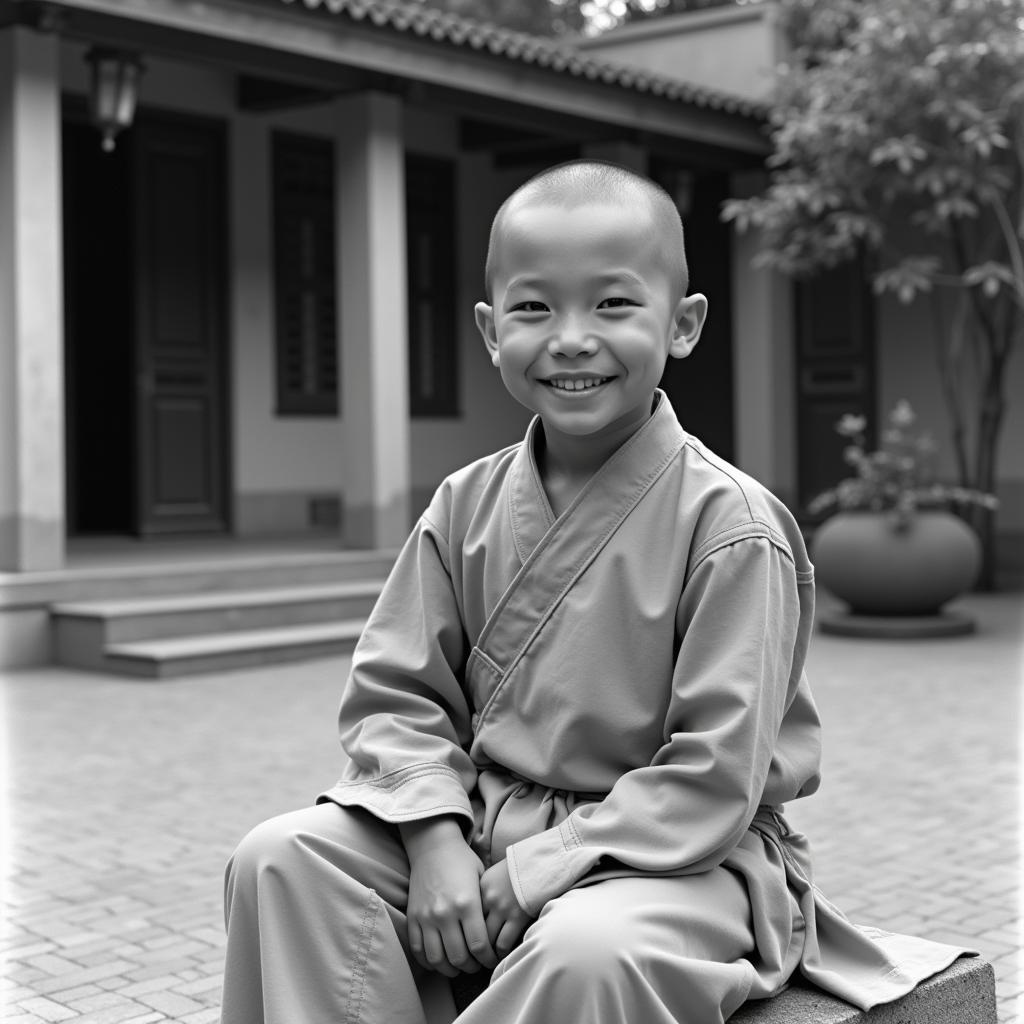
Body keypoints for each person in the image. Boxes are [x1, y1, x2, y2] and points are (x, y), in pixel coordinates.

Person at [219, 160, 969, 1024]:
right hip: (481, 824)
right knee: (280, 858)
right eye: (534, 309)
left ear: (683, 325)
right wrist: (433, 841)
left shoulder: (731, 526)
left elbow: (712, 774)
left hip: (679, 859)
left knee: (586, 954)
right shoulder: (464, 505)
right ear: (491, 330)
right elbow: (398, 697)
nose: (571, 338)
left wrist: (546, 864)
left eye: (613, 305)